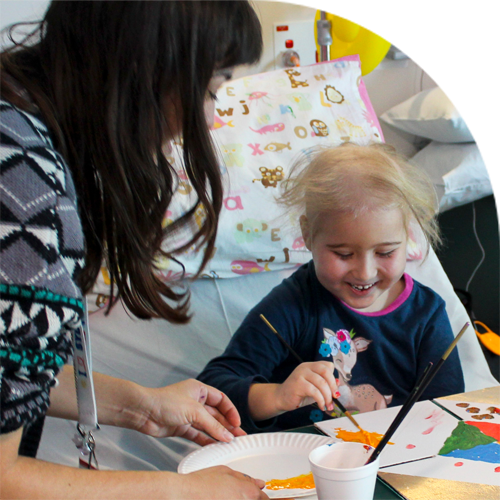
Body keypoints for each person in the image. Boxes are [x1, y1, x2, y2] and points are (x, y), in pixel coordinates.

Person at [0, 1, 269, 499]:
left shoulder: (18, 125)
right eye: (211, 91)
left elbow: (9, 379)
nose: (208, 119)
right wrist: (179, 492)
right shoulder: (21, 190)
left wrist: (140, 406)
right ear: (146, 70)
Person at [198, 142, 465, 434]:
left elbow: (445, 411)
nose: (365, 272)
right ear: (308, 235)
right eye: (343, 254)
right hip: (300, 464)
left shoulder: (426, 313)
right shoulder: (294, 304)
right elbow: (212, 391)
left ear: (407, 237)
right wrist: (276, 396)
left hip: (396, 462)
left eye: (385, 252)